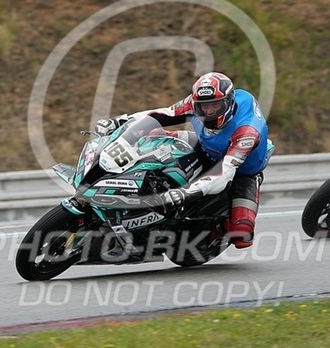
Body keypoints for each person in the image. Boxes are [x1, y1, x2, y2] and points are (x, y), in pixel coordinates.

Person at [95, 72, 272, 249]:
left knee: (242, 233)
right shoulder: (193, 104)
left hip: (241, 170)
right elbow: (160, 114)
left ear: (228, 103)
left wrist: (185, 192)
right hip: (204, 146)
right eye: (204, 107)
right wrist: (119, 121)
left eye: (215, 105)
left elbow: (224, 173)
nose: (209, 111)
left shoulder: (247, 132)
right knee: (153, 134)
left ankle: (206, 235)